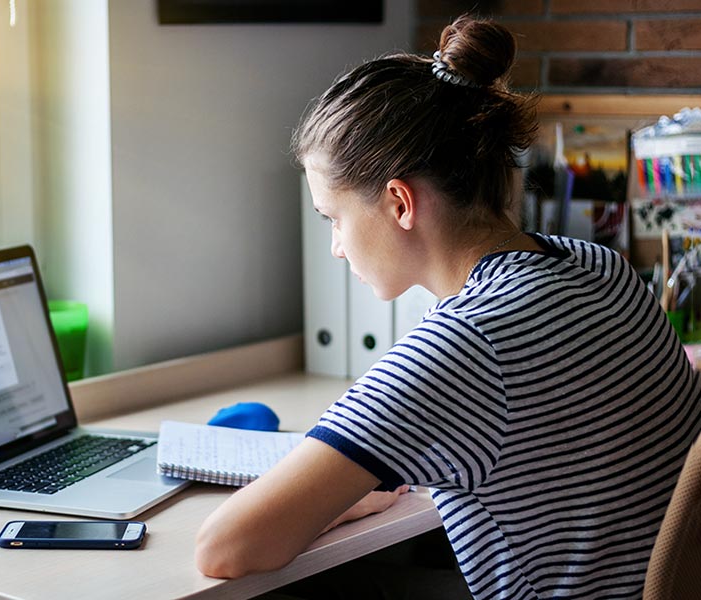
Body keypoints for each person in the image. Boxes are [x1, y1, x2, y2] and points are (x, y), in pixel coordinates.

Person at [195, 14, 701, 600]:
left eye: (333, 218)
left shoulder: (465, 344)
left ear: (400, 202)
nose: (335, 247)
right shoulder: (599, 267)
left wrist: (328, 506)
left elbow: (225, 547)